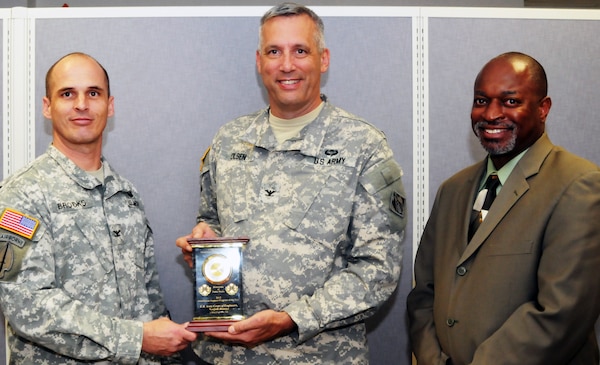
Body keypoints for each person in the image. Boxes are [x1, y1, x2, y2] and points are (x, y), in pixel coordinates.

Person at [175, 2, 407, 364]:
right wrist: (204, 239)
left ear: (323, 58)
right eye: (274, 51)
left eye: (300, 50)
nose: (286, 65)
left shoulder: (364, 147)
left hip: (318, 357)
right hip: (226, 356)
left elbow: (377, 270)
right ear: (259, 61)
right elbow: (211, 220)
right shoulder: (229, 140)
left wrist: (290, 320)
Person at [0, 52, 197, 364]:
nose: (82, 104)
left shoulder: (126, 195)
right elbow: (26, 304)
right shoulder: (20, 196)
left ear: (110, 105)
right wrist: (137, 338)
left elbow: (150, 302)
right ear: (48, 107)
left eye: (93, 93)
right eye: (67, 94)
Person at [407, 51, 600, 365]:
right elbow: (424, 295)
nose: (491, 114)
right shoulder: (453, 191)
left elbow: (560, 313)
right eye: (481, 100)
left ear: (543, 108)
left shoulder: (579, 186)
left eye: (510, 102)